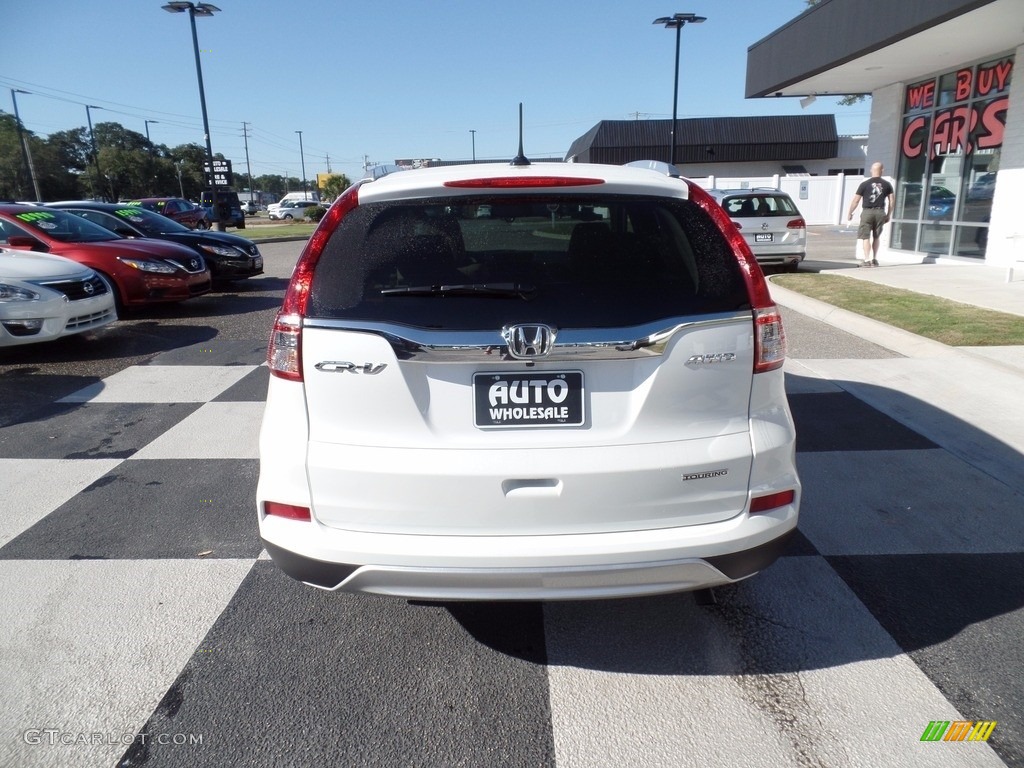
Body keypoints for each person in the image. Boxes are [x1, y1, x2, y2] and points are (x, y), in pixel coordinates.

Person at [847, 162, 895, 267]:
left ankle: (867, 259)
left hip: (867, 212)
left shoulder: (864, 184)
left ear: (871, 170)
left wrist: (850, 212)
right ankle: (875, 259)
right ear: (882, 170)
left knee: (865, 237)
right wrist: (888, 214)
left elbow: (856, 200)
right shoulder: (887, 184)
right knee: (876, 236)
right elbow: (892, 200)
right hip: (880, 212)